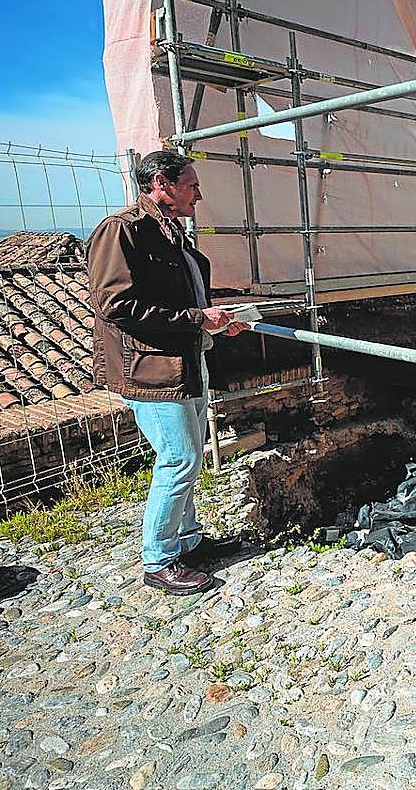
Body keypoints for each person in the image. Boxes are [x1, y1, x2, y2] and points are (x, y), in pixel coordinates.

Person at [86, 151, 251, 595]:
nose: (199, 194)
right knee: (179, 459)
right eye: (191, 184)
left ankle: (186, 542)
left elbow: (186, 301)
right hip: (151, 372)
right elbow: (114, 305)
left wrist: (219, 321)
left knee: (189, 458)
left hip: (185, 364)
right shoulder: (122, 231)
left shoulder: (172, 235)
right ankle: (159, 560)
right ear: (162, 182)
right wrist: (197, 318)